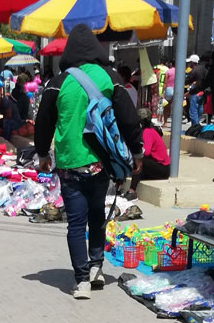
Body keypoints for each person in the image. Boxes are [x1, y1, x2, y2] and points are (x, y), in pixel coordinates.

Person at [34, 24, 142, 300]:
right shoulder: (110, 77)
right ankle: (96, 267)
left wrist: (43, 154)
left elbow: (43, 122)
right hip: (100, 161)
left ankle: (81, 280)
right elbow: (128, 117)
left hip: (69, 162)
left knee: (75, 222)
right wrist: (137, 151)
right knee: (97, 216)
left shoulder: (58, 82)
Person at [137, 110, 171, 182]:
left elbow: (146, 152)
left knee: (138, 159)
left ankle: (133, 186)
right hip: (161, 167)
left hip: (162, 169)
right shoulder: (151, 130)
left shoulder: (147, 132)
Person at [185, 54, 207, 125]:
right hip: (202, 91)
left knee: (193, 109)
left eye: (190, 62)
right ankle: (198, 122)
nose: (189, 64)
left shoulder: (195, 70)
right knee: (200, 107)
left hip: (195, 91)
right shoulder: (204, 69)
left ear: (193, 62)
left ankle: (195, 125)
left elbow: (187, 80)